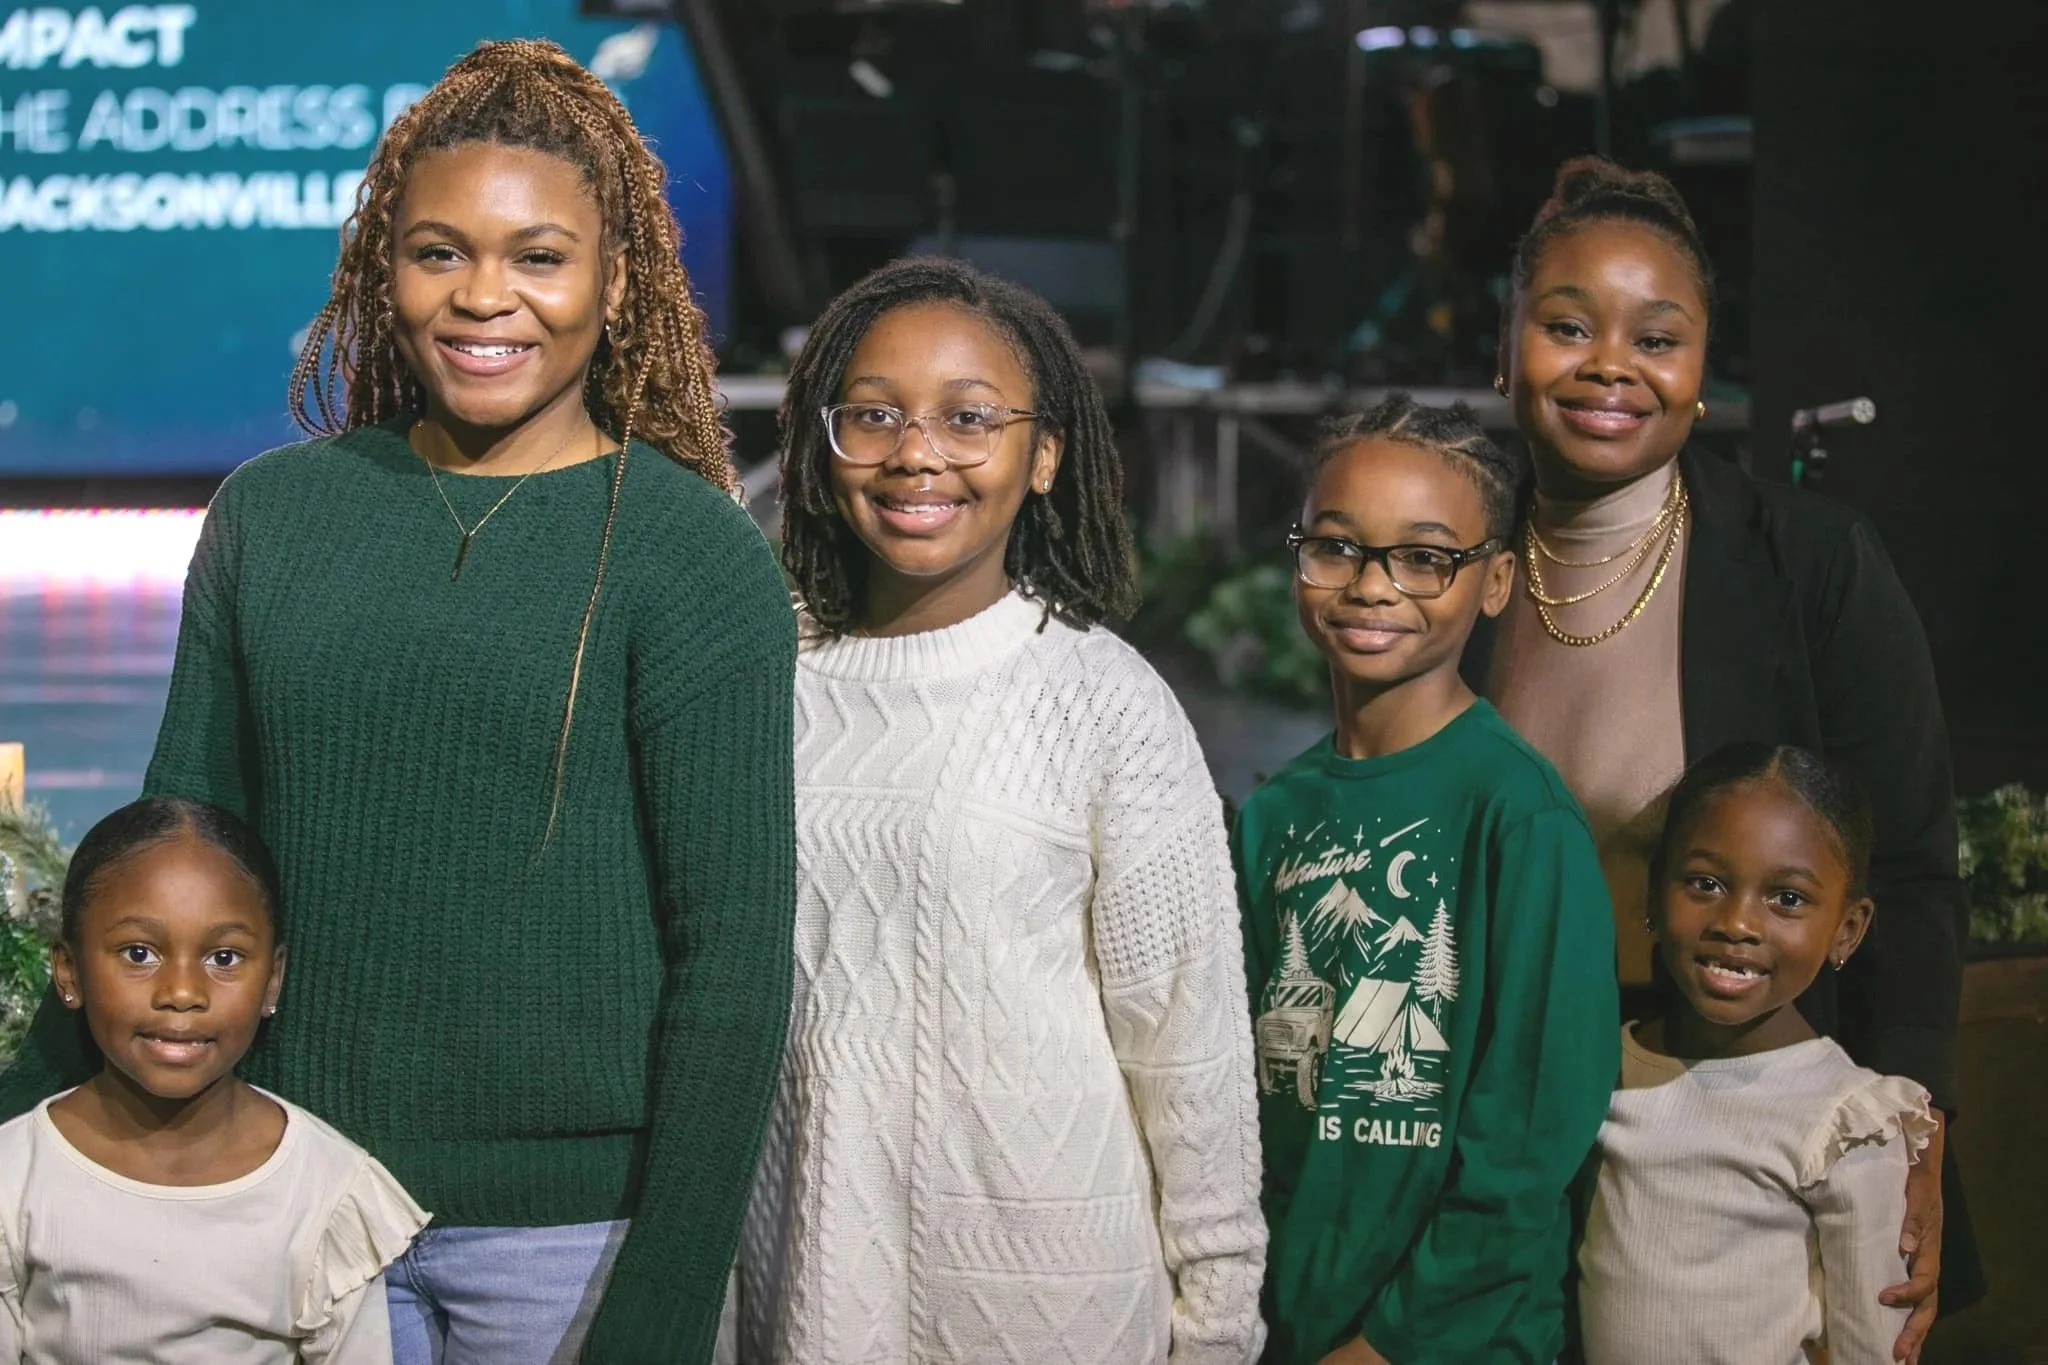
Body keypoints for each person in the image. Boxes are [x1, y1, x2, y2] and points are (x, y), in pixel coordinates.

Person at [0, 40, 795, 1365]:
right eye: (440, 252)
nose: (487, 297)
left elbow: (736, 963)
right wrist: (22, 1111)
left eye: (538, 256)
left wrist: (661, 1306)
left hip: (569, 1248)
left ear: (617, 282)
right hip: (279, 1203)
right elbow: (170, 868)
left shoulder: (687, 549)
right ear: (385, 268)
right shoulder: (275, 514)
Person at [1476, 156, 1975, 1351]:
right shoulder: (1457, 554)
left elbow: (1907, 870)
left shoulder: (1809, 561)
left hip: (1732, 1130)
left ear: (1701, 373)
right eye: (1564, 326)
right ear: (1505, 353)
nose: (1610, 364)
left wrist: (1911, 1132)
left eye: (1658, 337)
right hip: (1495, 1109)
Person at [727, 257, 1266, 1363]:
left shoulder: (1099, 700)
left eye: (969, 418)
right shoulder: (759, 682)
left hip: (1051, 1296)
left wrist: (1215, 1319)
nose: (916, 452)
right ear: (821, 451)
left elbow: (1188, 1044)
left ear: (1045, 456)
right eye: (873, 416)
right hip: (816, 1285)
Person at [1238, 395, 1618, 1365]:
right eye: (1336, 546)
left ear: (1492, 582)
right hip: (1285, 1325)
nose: (1371, 586)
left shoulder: (1518, 815)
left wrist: (1385, 1343)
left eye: (1423, 557)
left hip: (1453, 1339)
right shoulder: (1273, 815)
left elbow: (1530, 1141)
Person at [0, 798, 428, 1363]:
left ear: (272, 979)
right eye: (139, 953)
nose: (182, 992)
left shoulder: (327, 1190)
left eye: (224, 957)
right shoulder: (15, 1177)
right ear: (69, 970)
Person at [1578, 743, 1937, 1365]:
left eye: (1788, 899)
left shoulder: (1847, 1120)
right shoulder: (1600, 1066)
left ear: (1847, 929)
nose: (1738, 922)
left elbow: (1872, 1348)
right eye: (1705, 884)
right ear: (1652, 895)